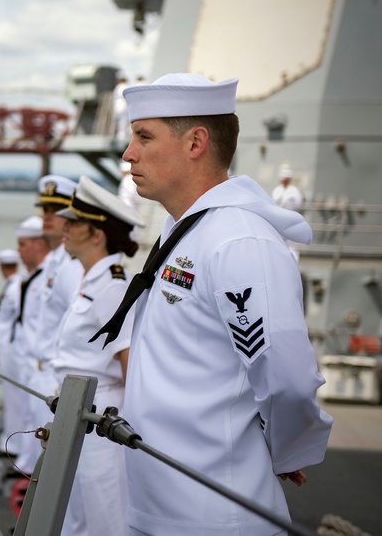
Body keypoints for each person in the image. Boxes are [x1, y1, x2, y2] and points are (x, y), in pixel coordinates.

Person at [115, 73, 333, 535]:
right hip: (158, 507)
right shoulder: (189, 232)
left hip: (216, 517)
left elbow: (287, 378)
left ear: (196, 142)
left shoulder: (239, 240)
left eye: (144, 137)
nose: (128, 154)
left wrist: (286, 450)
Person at [51, 175, 144, 536]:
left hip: (98, 423)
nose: (64, 227)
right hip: (77, 419)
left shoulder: (111, 288)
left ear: (96, 235)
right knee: (76, 519)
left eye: (73, 223)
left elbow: (129, 366)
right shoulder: (93, 281)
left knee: (104, 521)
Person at [11, 175, 82, 475]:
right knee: (43, 465)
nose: (48, 216)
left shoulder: (73, 266)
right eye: (45, 209)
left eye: (57, 209)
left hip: (55, 380)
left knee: (57, 474)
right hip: (37, 373)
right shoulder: (54, 262)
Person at [0, 248, 24, 455]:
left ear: (2, 267)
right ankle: (12, 442)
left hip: (13, 351)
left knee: (14, 399)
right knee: (12, 398)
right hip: (9, 349)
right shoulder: (15, 286)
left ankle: (14, 445)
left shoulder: (15, 289)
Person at [271, 165, 304, 261]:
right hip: (278, 221)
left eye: (286, 178)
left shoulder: (294, 191)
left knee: (292, 245)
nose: (283, 180)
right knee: (278, 242)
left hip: (290, 220)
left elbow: (299, 204)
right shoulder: (276, 190)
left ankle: (294, 263)